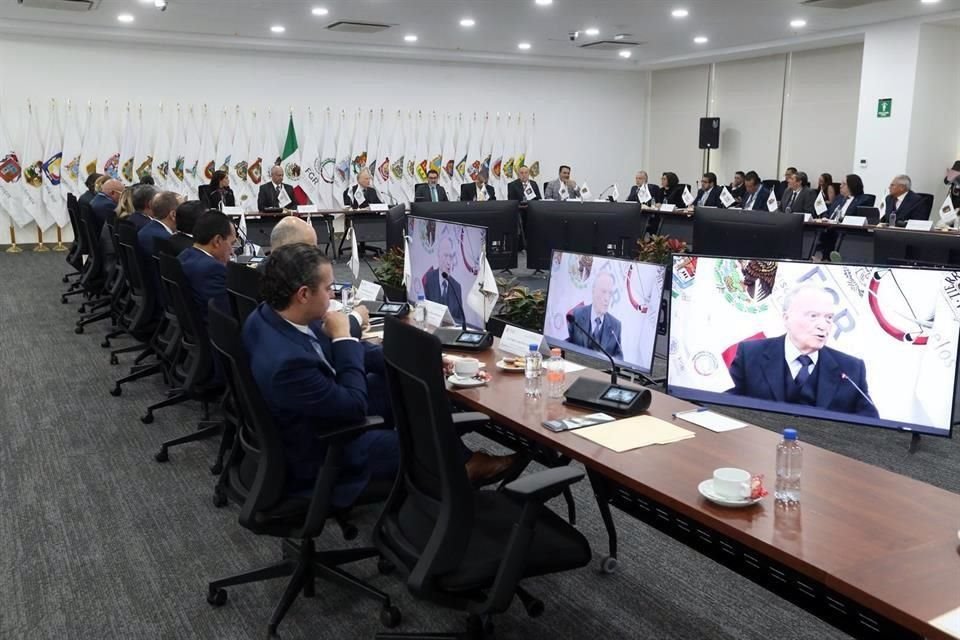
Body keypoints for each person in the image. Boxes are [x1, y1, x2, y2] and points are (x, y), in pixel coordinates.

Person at [243, 243, 515, 506]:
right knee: (421, 443)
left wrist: (414, 361)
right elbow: (353, 406)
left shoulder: (270, 315)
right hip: (324, 452)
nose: (333, 296)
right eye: (328, 289)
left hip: (315, 413)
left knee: (400, 380)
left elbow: (342, 351)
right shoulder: (288, 363)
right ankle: (457, 470)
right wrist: (343, 339)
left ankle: (459, 454)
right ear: (303, 294)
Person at [727, 285, 878, 418]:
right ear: (787, 319)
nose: (823, 326)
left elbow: (872, 426)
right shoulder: (751, 354)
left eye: (829, 318)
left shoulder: (851, 369)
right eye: (813, 316)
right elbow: (724, 406)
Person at [178, 210, 236, 328]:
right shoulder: (212, 269)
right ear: (217, 241)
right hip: (213, 335)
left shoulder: (184, 255)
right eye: (232, 243)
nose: (232, 251)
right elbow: (227, 316)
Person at [565, 271, 623, 359]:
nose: (607, 298)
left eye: (610, 293)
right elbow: (566, 344)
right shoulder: (576, 315)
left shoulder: (616, 325)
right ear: (593, 291)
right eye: (603, 292)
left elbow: (619, 357)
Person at [817, 174, 871, 258]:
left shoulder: (863, 200)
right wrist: (825, 217)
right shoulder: (839, 197)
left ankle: (829, 258)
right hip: (829, 226)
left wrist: (838, 221)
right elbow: (829, 211)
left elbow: (855, 217)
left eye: (844, 184)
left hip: (845, 230)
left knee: (828, 234)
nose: (840, 186)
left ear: (852, 185)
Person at [421, 234, 464, 325]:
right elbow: (423, 310)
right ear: (438, 256)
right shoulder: (429, 278)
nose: (449, 262)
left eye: (451, 257)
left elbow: (461, 320)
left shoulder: (456, 286)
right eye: (446, 255)